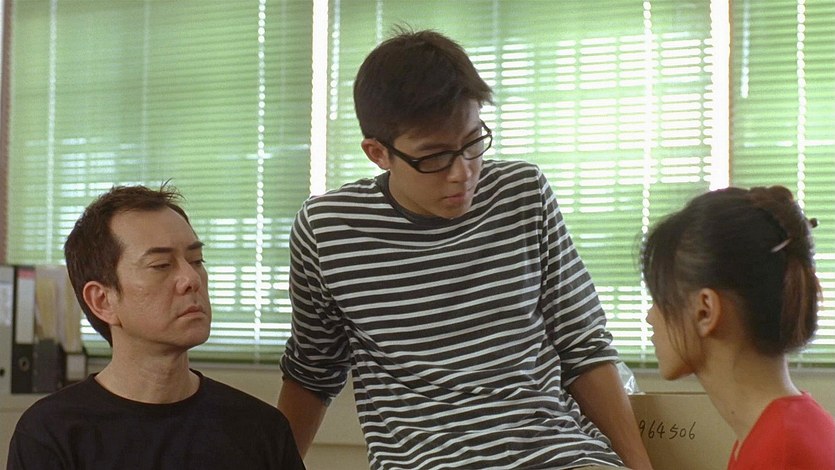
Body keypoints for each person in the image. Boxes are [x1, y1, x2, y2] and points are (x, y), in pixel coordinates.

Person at [278, 28, 652, 470]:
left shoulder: (522, 194)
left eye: (473, 143)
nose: (463, 173)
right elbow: (313, 372)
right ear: (378, 153)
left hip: (559, 454)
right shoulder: (328, 229)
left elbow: (584, 347)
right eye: (434, 156)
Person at [7, 184, 306, 470]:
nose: (191, 279)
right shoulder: (50, 435)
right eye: (161, 265)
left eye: (196, 260)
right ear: (102, 301)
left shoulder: (261, 430)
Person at [641, 185, 835, 469]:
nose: (650, 317)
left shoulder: (780, 452)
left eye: (659, 298)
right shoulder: (780, 431)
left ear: (705, 310)